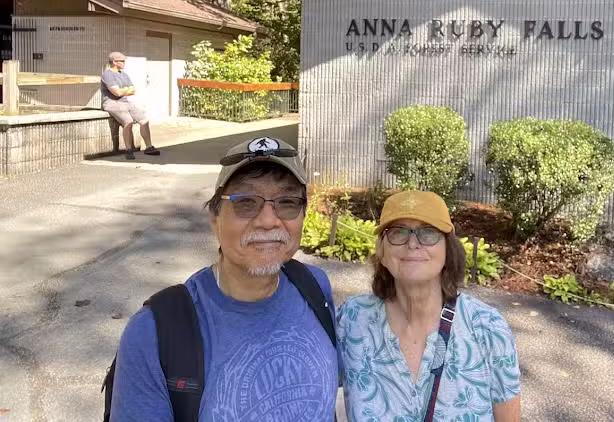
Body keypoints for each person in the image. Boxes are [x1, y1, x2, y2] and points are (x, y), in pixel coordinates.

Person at [109, 137, 339, 421]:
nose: (268, 220)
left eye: (287, 202)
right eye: (246, 202)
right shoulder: (154, 333)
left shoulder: (314, 287)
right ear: (215, 218)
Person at [337, 190, 521, 421]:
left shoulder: (487, 328)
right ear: (382, 251)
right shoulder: (351, 320)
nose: (413, 243)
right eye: (398, 232)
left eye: (428, 232)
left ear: (447, 250)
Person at [101, 51, 160, 160]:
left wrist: (122, 91)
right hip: (112, 103)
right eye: (122, 61)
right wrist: (124, 90)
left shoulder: (124, 75)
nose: (124, 63)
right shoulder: (107, 74)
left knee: (144, 120)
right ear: (114, 62)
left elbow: (132, 90)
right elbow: (116, 93)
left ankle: (149, 147)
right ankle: (129, 150)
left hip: (125, 102)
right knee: (128, 121)